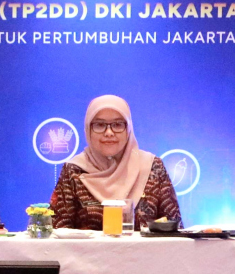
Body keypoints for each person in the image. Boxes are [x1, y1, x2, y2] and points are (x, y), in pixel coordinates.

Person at [51, 94, 181, 230]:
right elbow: (57, 231)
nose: (109, 132)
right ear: (88, 129)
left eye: (118, 124)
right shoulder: (74, 170)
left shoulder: (152, 166)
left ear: (129, 129)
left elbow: (174, 229)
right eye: (100, 125)